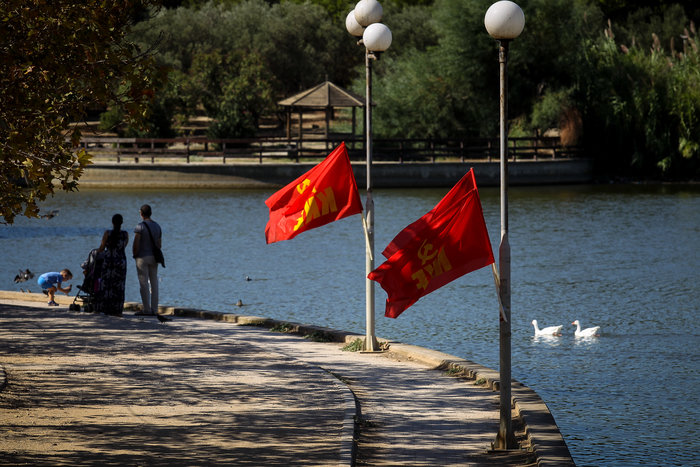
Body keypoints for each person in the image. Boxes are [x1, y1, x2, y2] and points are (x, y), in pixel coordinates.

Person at [94, 214, 128, 316]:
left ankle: (106, 308)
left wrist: (96, 252)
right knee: (119, 286)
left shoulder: (107, 233)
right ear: (122, 222)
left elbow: (102, 247)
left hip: (108, 261)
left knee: (107, 285)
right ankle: (117, 309)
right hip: (120, 262)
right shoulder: (125, 234)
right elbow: (124, 246)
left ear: (112, 222)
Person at [133, 204, 162, 316]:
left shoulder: (140, 227)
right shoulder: (157, 226)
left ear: (141, 214)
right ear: (150, 213)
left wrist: (135, 254)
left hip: (142, 257)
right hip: (154, 258)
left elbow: (136, 243)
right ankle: (154, 309)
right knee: (154, 283)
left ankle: (146, 309)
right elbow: (159, 245)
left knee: (143, 283)